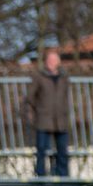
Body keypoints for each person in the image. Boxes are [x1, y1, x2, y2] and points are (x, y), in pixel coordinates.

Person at [23, 48, 72, 178]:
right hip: (43, 118)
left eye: (54, 60)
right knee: (41, 149)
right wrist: (33, 113)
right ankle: (40, 175)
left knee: (63, 150)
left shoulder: (64, 77)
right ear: (45, 62)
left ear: (58, 62)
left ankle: (63, 176)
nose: (52, 62)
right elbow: (30, 97)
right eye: (49, 60)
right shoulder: (39, 77)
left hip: (61, 119)